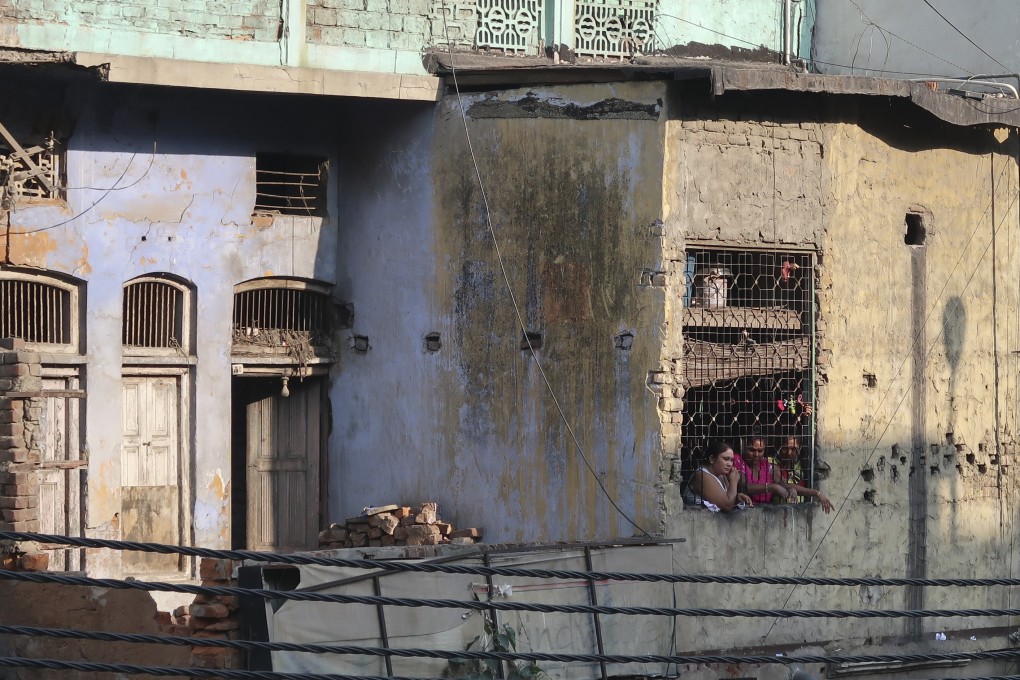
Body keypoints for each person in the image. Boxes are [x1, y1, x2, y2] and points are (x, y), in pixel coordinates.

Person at [682, 441, 754, 512]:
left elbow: (725, 498)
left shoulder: (721, 475)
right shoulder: (702, 476)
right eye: (726, 459)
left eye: (731, 460)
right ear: (712, 459)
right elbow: (727, 505)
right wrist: (734, 481)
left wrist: (737, 498)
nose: (730, 464)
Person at [773, 436, 834, 513]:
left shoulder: (801, 465)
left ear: (799, 449)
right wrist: (816, 493)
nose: (789, 453)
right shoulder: (772, 464)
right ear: (779, 448)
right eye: (785, 448)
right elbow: (783, 485)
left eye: (793, 449)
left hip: (798, 512)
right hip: (778, 511)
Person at [733, 435, 791, 504]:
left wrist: (791, 489)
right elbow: (743, 487)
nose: (756, 455)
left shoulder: (764, 464)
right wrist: (771, 487)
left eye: (760, 451)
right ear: (743, 448)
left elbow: (782, 484)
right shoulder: (738, 461)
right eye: (752, 450)